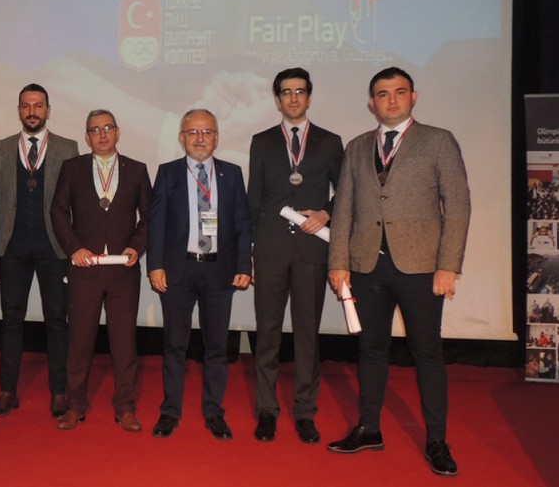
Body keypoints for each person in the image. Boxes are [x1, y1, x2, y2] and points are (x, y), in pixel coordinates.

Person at [327, 67, 471, 477]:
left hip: (421, 268)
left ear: (413, 97)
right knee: (371, 349)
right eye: (382, 94)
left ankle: (437, 440)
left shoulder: (438, 140)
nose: (391, 100)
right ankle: (368, 428)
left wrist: (448, 266)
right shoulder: (357, 147)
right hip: (367, 266)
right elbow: (344, 209)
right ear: (371, 103)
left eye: (399, 92)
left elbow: (458, 205)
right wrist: (338, 261)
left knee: (427, 352)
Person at [247, 68, 343, 444]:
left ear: (309, 96)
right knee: (267, 334)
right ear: (277, 99)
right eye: (286, 92)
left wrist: (326, 214)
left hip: (311, 249)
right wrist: (249, 252)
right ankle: (266, 410)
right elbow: (254, 198)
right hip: (270, 250)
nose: (293, 98)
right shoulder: (262, 141)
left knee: (307, 335)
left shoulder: (330, 142)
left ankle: (305, 412)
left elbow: (346, 191)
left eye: (299, 91)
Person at [146, 108, 252, 441]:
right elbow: (156, 222)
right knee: (174, 344)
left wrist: (244, 266)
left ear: (216, 138)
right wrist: (155, 265)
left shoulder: (232, 174)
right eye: (193, 132)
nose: (200, 138)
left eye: (207, 132)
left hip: (220, 271)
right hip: (179, 270)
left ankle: (214, 412)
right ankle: (170, 411)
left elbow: (242, 222)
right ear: (182, 138)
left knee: (216, 346)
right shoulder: (168, 173)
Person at [49, 109, 152, 432]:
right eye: (95, 129)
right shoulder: (72, 168)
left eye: (108, 128)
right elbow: (58, 211)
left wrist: (136, 246)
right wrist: (74, 248)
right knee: (80, 341)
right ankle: (75, 405)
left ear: (118, 132)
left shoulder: (137, 170)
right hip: (85, 269)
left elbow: (149, 216)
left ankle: (125, 407)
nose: (102, 134)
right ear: (87, 137)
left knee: (124, 343)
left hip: (123, 270)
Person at [0, 83, 80, 418]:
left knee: (57, 320)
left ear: (48, 110)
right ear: (19, 111)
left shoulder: (68, 148)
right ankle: (7, 391)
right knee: (11, 319)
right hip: (12, 246)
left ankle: (59, 392)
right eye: (26, 106)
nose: (32, 112)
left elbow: (74, 203)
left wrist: (73, 247)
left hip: (53, 247)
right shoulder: (1, 148)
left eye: (38, 105)